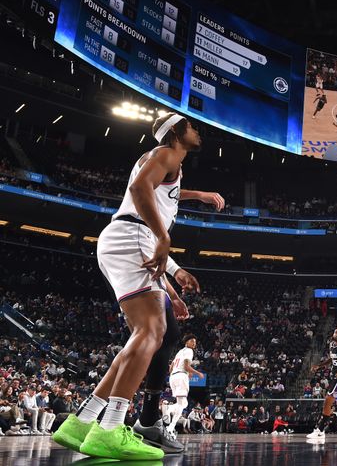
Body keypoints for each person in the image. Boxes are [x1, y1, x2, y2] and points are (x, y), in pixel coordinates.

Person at [51, 113, 224, 460]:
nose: (197, 130)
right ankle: (112, 428)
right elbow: (139, 190)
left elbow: (164, 195)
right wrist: (165, 238)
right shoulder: (165, 153)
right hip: (132, 237)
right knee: (153, 331)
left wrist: (198, 197)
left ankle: (82, 421)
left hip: (129, 240)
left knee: (144, 336)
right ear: (176, 132)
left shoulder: (169, 167)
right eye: (191, 126)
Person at [165, 334, 204, 436]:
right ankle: (168, 414)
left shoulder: (179, 352)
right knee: (182, 404)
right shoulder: (189, 351)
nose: (194, 343)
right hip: (181, 376)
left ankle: (170, 425)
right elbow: (186, 367)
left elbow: (170, 369)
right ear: (186, 342)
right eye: (192, 341)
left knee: (182, 404)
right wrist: (198, 373)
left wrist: (186, 373)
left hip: (172, 377)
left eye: (195, 342)